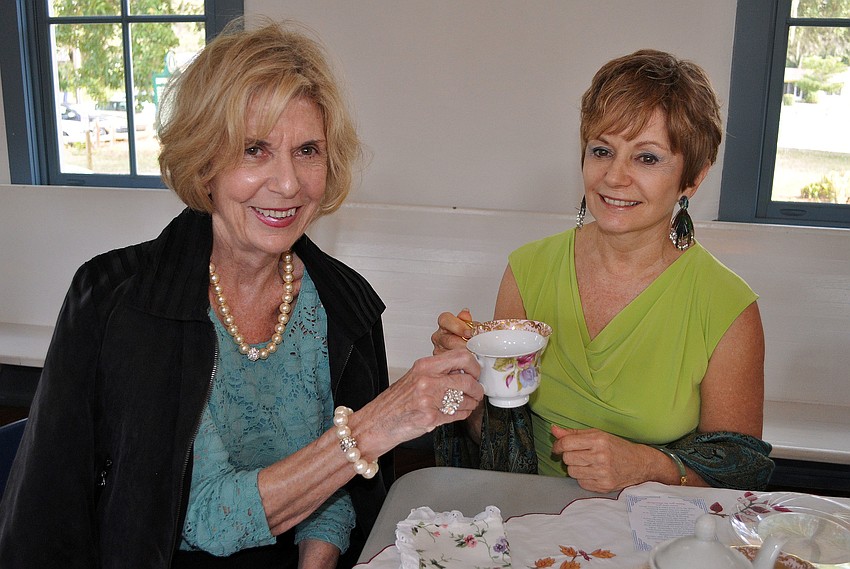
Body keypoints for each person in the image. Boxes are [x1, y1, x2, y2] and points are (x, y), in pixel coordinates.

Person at [0, 19, 483, 569]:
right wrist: (373, 427)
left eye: (307, 151)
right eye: (254, 149)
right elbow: (198, 514)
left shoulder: (346, 304)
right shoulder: (117, 302)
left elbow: (342, 498)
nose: (287, 183)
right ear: (205, 161)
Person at [431, 49, 774, 493]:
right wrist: (462, 386)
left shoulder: (728, 307)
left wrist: (650, 466)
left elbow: (737, 473)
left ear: (693, 177)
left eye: (646, 158)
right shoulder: (527, 269)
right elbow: (493, 437)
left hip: (656, 525)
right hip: (527, 511)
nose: (614, 177)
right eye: (602, 151)